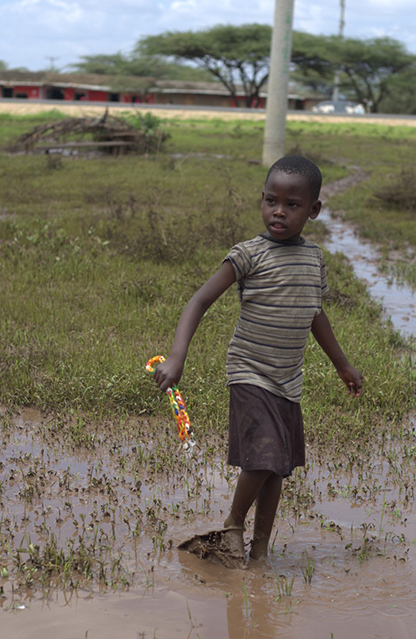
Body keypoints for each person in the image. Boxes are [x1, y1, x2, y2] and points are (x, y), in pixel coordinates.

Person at [154, 155, 362, 563]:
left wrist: (342, 365)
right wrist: (178, 356)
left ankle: (261, 550)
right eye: (271, 201)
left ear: (314, 210)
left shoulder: (314, 259)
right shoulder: (247, 255)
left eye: (292, 205)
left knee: (277, 467)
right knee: (264, 457)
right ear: (262, 201)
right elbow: (199, 301)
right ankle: (233, 525)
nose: (279, 211)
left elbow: (315, 313)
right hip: (249, 373)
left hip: (288, 381)